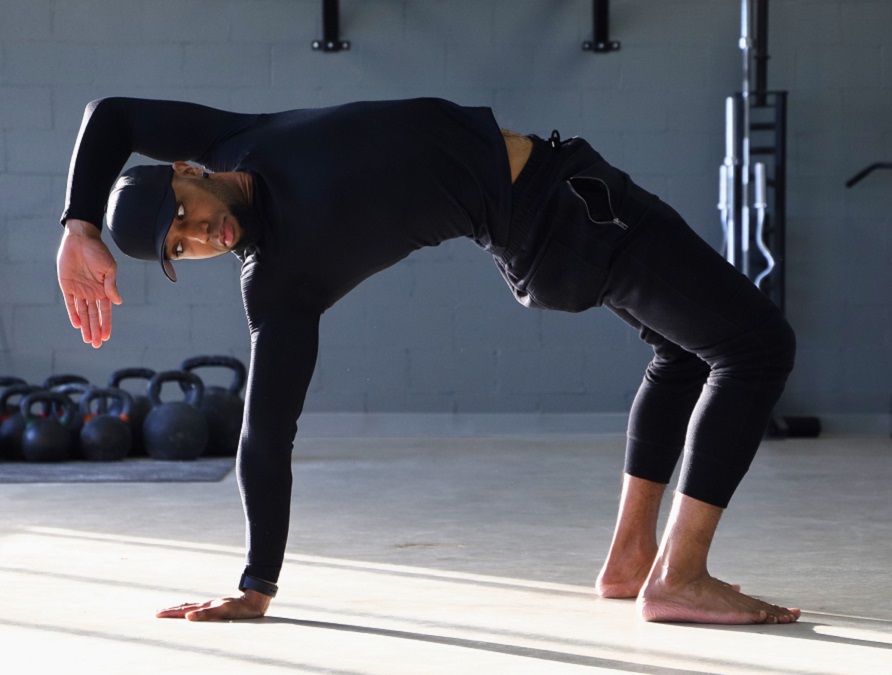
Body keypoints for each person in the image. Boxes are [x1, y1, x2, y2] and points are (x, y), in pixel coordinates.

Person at [57, 96, 799, 625]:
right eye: (181, 248)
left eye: (183, 211)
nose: (200, 233)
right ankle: (681, 574)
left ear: (186, 168)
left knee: (682, 352)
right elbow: (263, 435)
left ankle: (632, 561)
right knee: (757, 348)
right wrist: (257, 583)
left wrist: (77, 226)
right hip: (567, 214)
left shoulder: (241, 139)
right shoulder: (279, 282)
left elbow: (112, 115)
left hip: (550, 226)